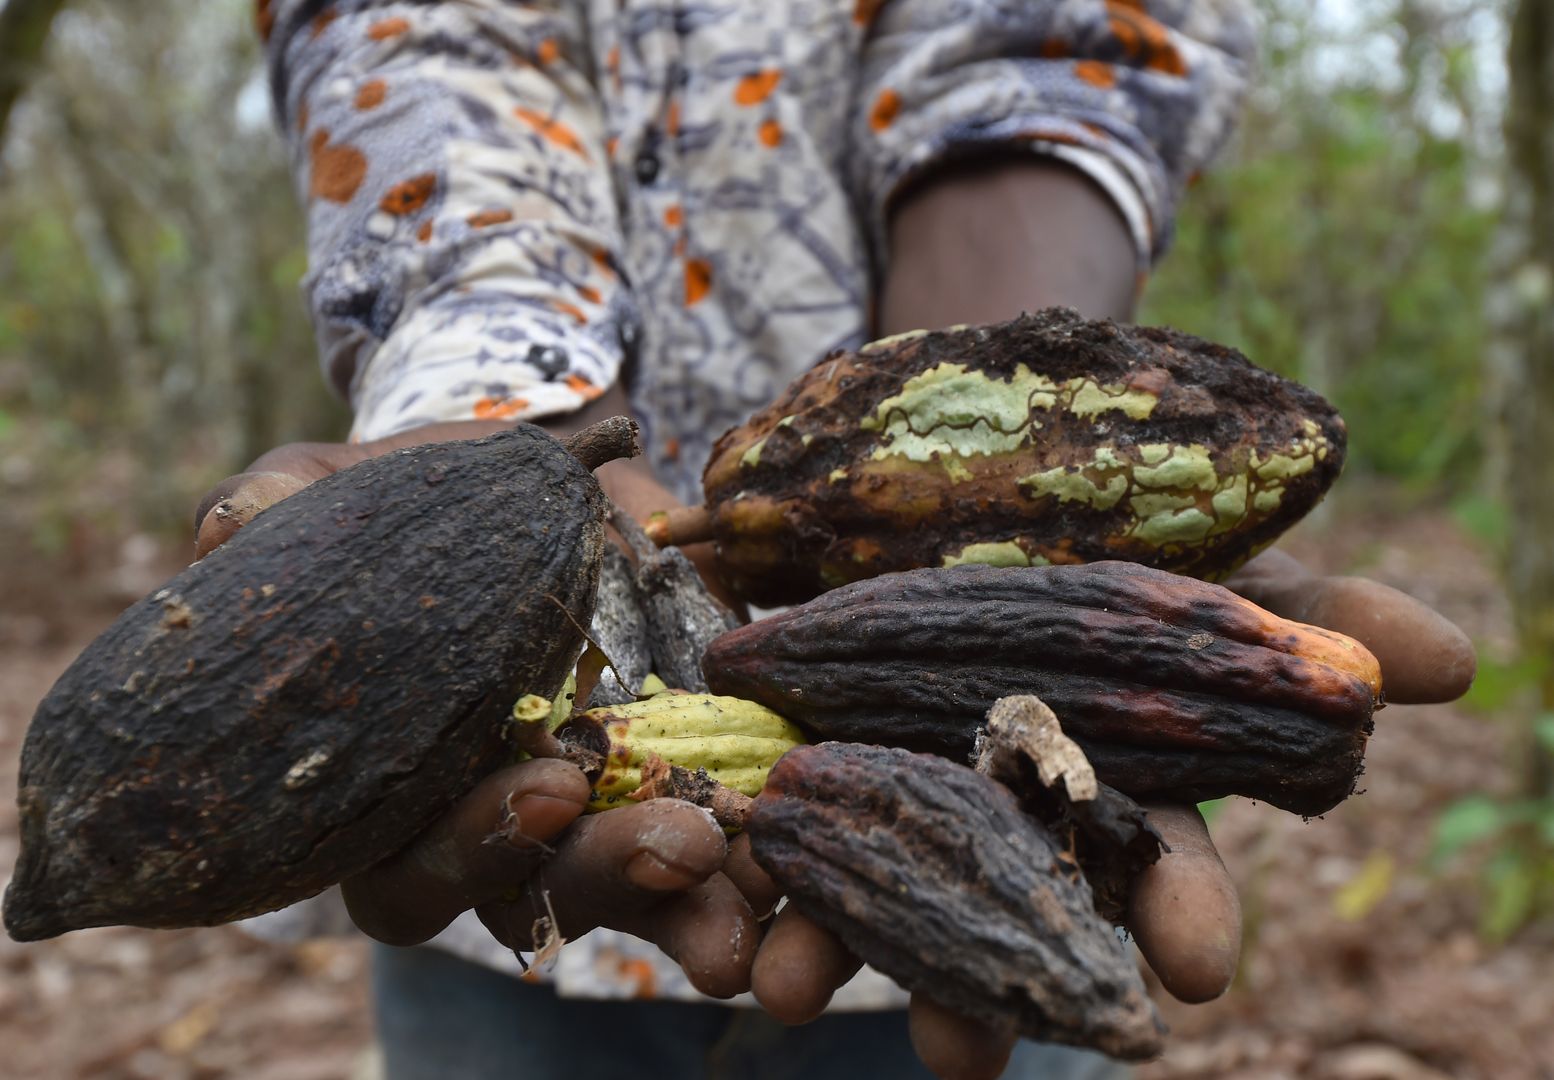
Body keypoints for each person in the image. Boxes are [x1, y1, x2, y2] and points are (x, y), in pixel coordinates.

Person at [200, 3, 1477, 1078]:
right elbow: (418, 45)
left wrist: (980, 459)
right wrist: (497, 411)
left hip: (989, 861)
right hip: (511, 896)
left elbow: (1046, 40)